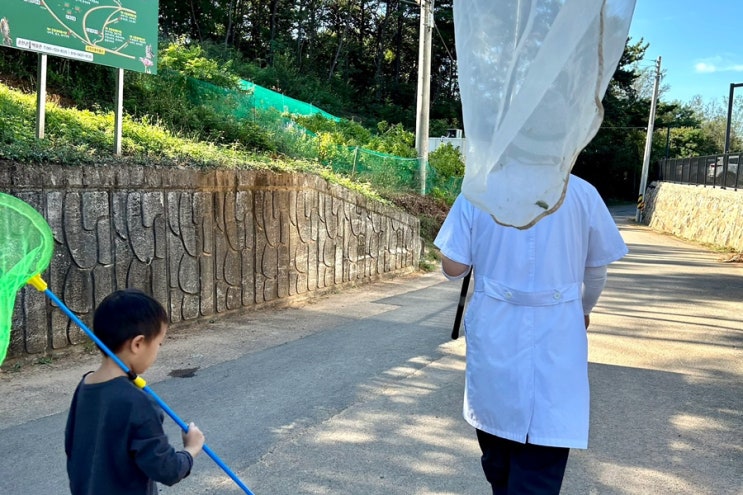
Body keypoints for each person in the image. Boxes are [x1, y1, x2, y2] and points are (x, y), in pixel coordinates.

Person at [434, 174, 628, 494]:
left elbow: (454, 268)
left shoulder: (478, 190)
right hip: (560, 328)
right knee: (542, 457)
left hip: (496, 330)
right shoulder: (581, 191)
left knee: (497, 449)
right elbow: (596, 269)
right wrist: (583, 310)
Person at [65, 288, 205, 495]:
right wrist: (191, 449)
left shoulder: (85, 385)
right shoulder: (138, 402)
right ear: (138, 344)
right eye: (158, 343)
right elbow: (167, 469)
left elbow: (72, 447)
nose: (158, 350)